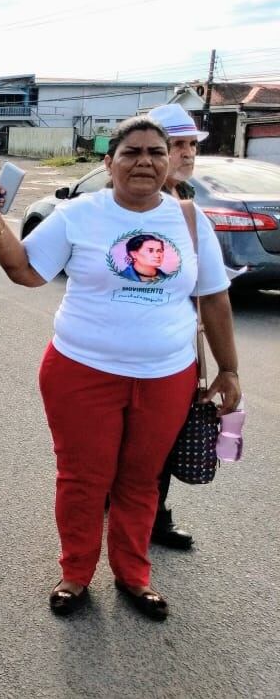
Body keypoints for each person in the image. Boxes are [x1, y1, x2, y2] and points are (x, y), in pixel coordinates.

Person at [0, 116, 240, 621]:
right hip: (81, 371)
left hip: (168, 376)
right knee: (83, 477)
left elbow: (213, 297)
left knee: (142, 479)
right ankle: (76, 573)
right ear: (108, 162)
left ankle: (133, 575)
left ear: (168, 164)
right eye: (130, 152)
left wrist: (228, 370)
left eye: (155, 152)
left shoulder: (189, 219)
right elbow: (26, 271)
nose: (143, 160)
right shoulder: (79, 214)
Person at [146, 103, 209, 548]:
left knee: (163, 436)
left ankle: (150, 511)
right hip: (132, 348)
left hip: (177, 344)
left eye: (191, 145)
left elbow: (208, 289)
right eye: (178, 145)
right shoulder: (137, 207)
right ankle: (146, 513)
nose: (187, 154)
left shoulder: (188, 207)